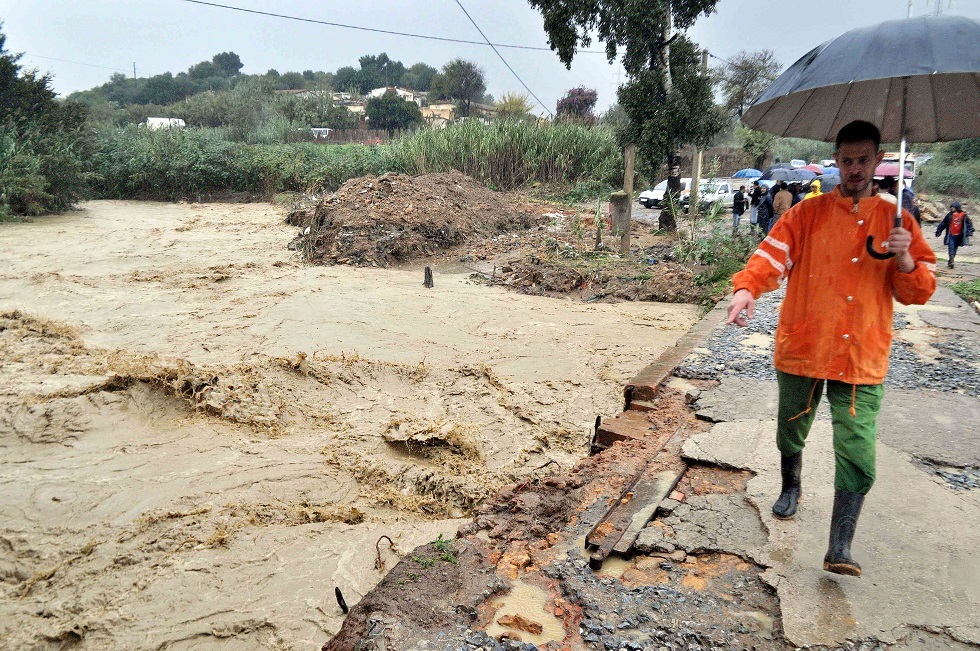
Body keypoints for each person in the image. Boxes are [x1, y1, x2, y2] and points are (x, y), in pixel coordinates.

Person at [726, 120, 936, 577]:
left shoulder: (897, 221)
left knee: (858, 448)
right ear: (836, 162)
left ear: (877, 160)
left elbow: (918, 291)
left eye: (863, 160)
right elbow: (770, 256)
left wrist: (903, 258)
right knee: (790, 427)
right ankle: (791, 485)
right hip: (805, 343)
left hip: (861, 353)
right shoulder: (806, 214)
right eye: (847, 160)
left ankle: (839, 546)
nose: (855, 169)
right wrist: (747, 289)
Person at [935, 200, 974, 269]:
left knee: (955, 248)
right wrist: (939, 231)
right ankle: (952, 261)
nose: (951, 208)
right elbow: (943, 223)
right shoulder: (949, 215)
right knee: (951, 247)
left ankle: (951, 261)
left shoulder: (963, 215)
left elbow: (969, 224)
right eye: (951, 207)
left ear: (957, 208)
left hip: (959, 235)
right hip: (951, 235)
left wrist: (969, 232)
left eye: (953, 207)